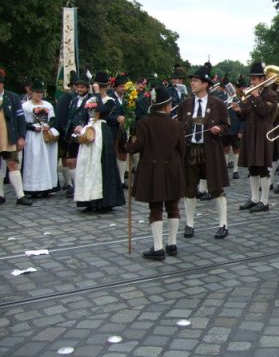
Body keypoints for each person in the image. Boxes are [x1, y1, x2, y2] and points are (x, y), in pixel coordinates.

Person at [127, 86, 186, 261]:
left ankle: (158, 247)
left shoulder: (143, 123)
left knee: (156, 209)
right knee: (173, 206)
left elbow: (134, 147)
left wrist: (128, 139)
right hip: (173, 169)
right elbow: (182, 150)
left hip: (152, 170)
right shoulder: (177, 124)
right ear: (167, 106)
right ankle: (172, 244)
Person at [175, 66, 231, 239]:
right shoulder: (185, 104)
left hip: (211, 150)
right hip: (191, 149)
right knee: (189, 188)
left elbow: (226, 126)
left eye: (196, 80)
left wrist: (218, 129)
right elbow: (179, 125)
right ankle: (189, 224)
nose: (192, 83)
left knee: (216, 187)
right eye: (191, 80)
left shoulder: (218, 104)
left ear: (205, 84)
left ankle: (223, 224)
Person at [74, 71, 125, 213]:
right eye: (98, 87)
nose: (99, 89)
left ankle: (104, 201)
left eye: (101, 87)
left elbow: (102, 110)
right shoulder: (88, 101)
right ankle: (89, 200)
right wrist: (79, 125)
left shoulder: (110, 100)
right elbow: (83, 115)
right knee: (87, 165)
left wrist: (96, 94)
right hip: (89, 131)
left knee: (101, 165)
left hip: (102, 131)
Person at [232, 62, 278, 212]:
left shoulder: (271, 94)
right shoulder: (251, 93)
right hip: (250, 132)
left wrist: (257, 95)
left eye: (255, 79)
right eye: (251, 79)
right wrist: (239, 110)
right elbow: (246, 113)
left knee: (262, 166)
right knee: (252, 166)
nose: (252, 82)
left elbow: (264, 111)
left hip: (263, 133)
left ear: (263, 79)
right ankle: (254, 198)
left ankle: (264, 201)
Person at [21, 80, 60, 197]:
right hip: (33, 136)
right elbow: (22, 121)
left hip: (46, 134)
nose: (39, 95)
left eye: (41, 93)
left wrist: (49, 125)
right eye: (37, 92)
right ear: (31, 92)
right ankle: (33, 186)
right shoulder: (25, 106)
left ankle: (48, 185)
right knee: (34, 160)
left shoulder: (48, 105)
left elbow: (53, 118)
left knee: (48, 160)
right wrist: (32, 128)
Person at [0, 68, 32, 205]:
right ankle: (0, 195)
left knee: (13, 164)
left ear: (3, 83)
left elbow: (20, 119)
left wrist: (21, 137)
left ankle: (20, 196)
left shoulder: (12, 97)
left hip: (9, 136)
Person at [61, 69, 92, 198]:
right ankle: (76, 184)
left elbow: (92, 117)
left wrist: (83, 127)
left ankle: (82, 185)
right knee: (70, 161)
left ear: (87, 88)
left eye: (82, 87)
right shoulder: (73, 100)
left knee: (83, 161)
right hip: (71, 133)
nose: (79, 89)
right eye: (78, 87)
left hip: (84, 134)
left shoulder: (91, 100)